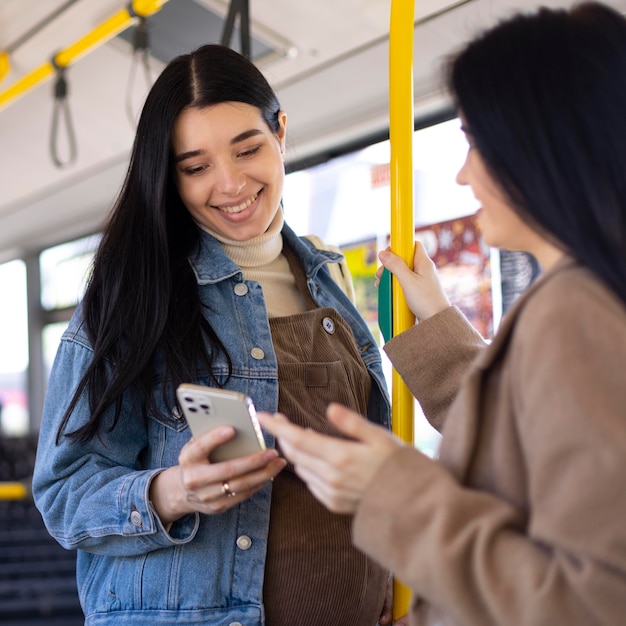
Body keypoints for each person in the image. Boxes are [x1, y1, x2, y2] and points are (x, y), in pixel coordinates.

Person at [259, 3, 626, 625]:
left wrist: (390, 491)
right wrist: (434, 321)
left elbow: (590, 600)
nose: (463, 174)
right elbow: (523, 449)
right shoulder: (583, 298)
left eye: (477, 145)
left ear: (537, 148)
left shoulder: (576, 311)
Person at [32, 44, 393, 625]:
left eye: (247, 149)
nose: (229, 184)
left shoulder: (329, 279)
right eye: (196, 167)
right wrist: (175, 492)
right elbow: (63, 494)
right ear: (169, 177)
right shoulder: (131, 298)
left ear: (280, 132)